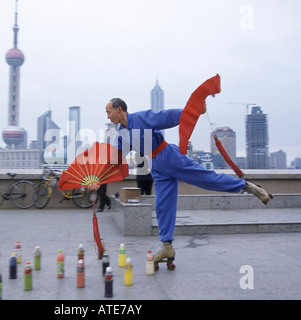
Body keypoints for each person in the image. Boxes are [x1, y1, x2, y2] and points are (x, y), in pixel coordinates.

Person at [99, 97, 272, 263]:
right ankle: (167, 246)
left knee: (206, 179)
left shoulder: (140, 118)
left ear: (119, 109)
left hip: (169, 156)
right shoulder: (120, 135)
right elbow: (114, 159)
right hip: (157, 167)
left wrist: (194, 111)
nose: (107, 116)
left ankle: (248, 187)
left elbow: (168, 116)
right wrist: (98, 179)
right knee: (162, 205)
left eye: (109, 112)